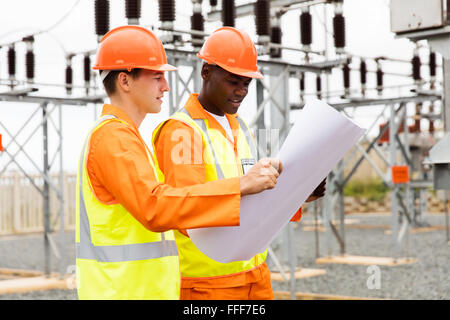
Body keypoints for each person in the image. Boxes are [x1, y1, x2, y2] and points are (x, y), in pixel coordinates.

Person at [75, 25, 282, 300]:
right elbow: (158, 208)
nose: (166, 86)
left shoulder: (130, 137)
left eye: (247, 82)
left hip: (161, 288)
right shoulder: (118, 137)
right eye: (157, 76)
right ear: (125, 81)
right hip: (160, 288)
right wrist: (243, 185)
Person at [153, 27, 326, 300]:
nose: (241, 91)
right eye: (233, 81)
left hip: (254, 275)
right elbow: (185, 213)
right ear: (206, 72)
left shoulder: (240, 127)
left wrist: (297, 194)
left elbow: (252, 197)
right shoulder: (182, 132)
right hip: (209, 284)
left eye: (247, 83)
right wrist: (244, 187)